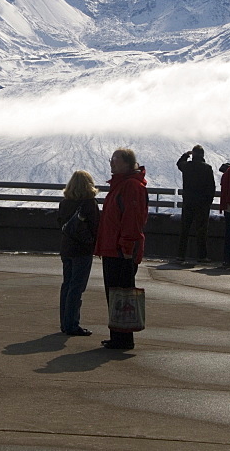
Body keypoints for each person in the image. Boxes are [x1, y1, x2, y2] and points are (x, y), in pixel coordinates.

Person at [94, 148, 148, 350]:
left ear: (127, 163)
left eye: (115, 160)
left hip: (120, 251)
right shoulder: (121, 185)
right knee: (115, 293)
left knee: (121, 293)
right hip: (113, 248)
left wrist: (126, 246)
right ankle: (118, 335)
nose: (111, 164)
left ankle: (123, 338)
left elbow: (132, 220)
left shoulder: (130, 187)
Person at [56, 170, 101, 337]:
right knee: (77, 287)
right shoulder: (89, 204)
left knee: (67, 285)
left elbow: (60, 225)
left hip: (67, 249)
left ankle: (65, 323)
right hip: (83, 250)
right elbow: (96, 227)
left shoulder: (65, 203)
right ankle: (72, 324)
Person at [176, 145, 216, 264]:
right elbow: (211, 187)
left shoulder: (187, 166)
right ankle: (202, 256)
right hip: (202, 204)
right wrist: (208, 202)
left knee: (185, 230)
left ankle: (181, 255)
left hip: (188, 202)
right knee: (202, 231)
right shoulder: (207, 168)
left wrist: (186, 155)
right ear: (203, 155)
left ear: (193, 155)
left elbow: (179, 163)